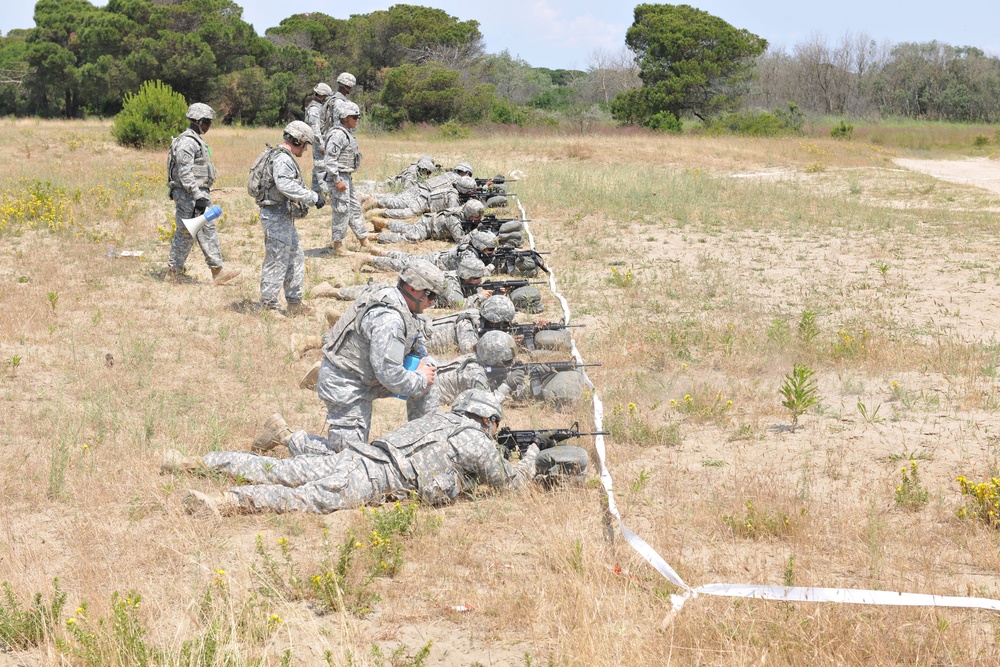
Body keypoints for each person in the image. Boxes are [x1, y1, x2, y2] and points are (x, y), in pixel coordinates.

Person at [173, 390, 541, 516]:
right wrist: (532, 454)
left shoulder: (439, 419)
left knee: (277, 469)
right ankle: (224, 502)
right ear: (487, 419)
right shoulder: (475, 439)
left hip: (358, 457)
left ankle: (194, 462)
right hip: (371, 478)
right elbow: (511, 485)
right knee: (304, 500)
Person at [260, 260, 447, 456]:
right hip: (346, 383)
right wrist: (420, 378)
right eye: (430, 295)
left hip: (368, 374)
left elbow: (414, 343)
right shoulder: (388, 319)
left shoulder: (399, 302)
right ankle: (285, 436)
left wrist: (424, 369)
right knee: (349, 458)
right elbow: (390, 375)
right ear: (412, 288)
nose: (433, 302)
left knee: (429, 372)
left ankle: (426, 444)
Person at [254, 121, 325, 315]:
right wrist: (313, 197)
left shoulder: (282, 156)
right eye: (305, 144)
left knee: (295, 257)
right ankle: (269, 307)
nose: (306, 149)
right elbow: (285, 185)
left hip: (282, 215)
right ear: (297, 140)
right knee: (276, 260)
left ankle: (294, 304)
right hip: (276, 216)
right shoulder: (282, 160)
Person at [166, 103, 240, 284]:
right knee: (203, 229)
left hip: (193, 193)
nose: (209, 126)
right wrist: (197, 194)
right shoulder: (187, 142)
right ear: (198, 121)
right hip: (190, 195)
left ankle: (174, 273)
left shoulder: (194, 140)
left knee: (188, 232)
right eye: (207, 122)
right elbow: (184, 171)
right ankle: (216, 271)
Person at [321, 101, 372, 256]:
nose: (357, 119)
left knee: (355, 209)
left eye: (358, 117)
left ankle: (364, 240)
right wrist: (337, 180)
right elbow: (330, 160)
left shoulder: (347, 133)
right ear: (344, 117)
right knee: (342, 211)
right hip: (338, 177)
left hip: (346, 177)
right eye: (354, 117)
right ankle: (338, 246)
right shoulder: (337, 134)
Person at [363, 167, 477, 220]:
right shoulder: (455, 184)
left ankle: (371, 199)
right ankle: (376, 204)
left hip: (422, 191)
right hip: (423, 195)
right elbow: (453, 210)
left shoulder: (451, 176)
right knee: (403, 206)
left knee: (397, 199)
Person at [424, 294, 516, 354]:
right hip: (423, 339)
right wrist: (503, 341)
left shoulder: (481, 318)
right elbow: (468, 350)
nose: (507, 326)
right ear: (494, 322)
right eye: (505, 324)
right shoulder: (467, 321)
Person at [371, 199, 485, 246]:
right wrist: (476, 232)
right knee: (413, 237)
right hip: (427, 226)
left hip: (428, 221)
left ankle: (384, 223)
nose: (478, 218)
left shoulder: (464, 213)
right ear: (469, 214)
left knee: (409, 228)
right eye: (476, 217)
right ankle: (377, 237)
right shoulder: (454, 219)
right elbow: (460, 240)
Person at [304, 82, 332, 191]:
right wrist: (321, 146)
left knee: (319, 167)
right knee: (322, 167)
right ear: (320, 96)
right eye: (326, 97)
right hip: (319, 143)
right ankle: (324, 192)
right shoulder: (314, 109)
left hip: (321, 142)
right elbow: (315, 130)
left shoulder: (319, 107)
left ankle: (316, 190)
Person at [319, 72, 357, 136]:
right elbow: (337, 124)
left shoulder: (331, 98)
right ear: (347, 86)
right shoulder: (339, 102)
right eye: (350, 86)